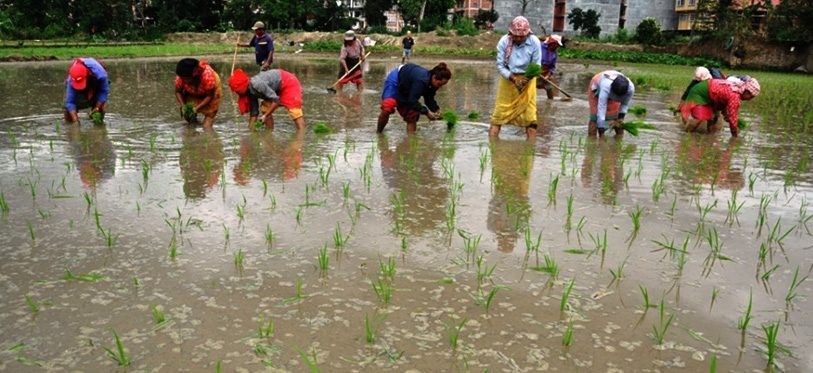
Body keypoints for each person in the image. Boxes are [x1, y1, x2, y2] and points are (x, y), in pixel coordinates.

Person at [489, 16, 542, 140]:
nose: (518, 38)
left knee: (530, 117)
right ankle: (493, 147)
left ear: (527, 34)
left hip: (528, 80)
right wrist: (514, 79)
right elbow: (501, 66)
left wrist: (526, 79)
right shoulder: (504, 42)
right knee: (499, 114)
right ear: (510, 33)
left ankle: (530, 150)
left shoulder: (534, 42)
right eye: (515, 36)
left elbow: (536, 64)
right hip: (508, 80)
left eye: (521, 36)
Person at [376, 62, 452, 134]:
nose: (439, 87)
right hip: (396, 81)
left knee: (412, 116)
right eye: (439, 84)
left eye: (442, 85)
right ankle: (379, 133)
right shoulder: (421, 81)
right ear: (434, 77)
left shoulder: (433, 84)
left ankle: (411, 140)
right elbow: (412, 101)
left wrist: (437, 110)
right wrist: (427, 113)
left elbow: (429, 99)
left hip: (408, 88)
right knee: (387, 108)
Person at [680, 76, 760, 137]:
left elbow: (725, 105)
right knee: (700, 117)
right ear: (746, 92)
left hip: (712, 98)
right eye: (751, 97)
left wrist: (726, 115)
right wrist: (734, 135)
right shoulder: (735, 96)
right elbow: (733, 118)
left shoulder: (736, 89)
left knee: (714, 119)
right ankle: (685, 136)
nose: (750, 99)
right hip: (701, 93)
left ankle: (709, 140)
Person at [228, 68, 306, 131]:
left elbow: (276, 100)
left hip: (288, 82)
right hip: (275, 90)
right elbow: (254, 113)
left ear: (243, 86)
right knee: (265, 109)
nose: (237, 93)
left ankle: (301, 136)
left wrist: (265, 116)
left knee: (295, 112)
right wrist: (250, 131)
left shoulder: (257, 84)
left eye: (237, 90)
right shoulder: (249, 92)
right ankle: (269, 132)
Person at [174, 58, 222, 128]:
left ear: (194, 75)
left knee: (207, 126)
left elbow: (210, 96)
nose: (183, 80)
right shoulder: (180, 78)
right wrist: (183, 105)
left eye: (186, 79)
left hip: (210, 95)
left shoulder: (208, 77)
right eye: (182, 78)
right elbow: (178, 92)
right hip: (191, 93)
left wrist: (196, 109)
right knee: (189, 118)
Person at [588, 70, 635, 138]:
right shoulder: (605, 87)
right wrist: (601, 131)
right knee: (595, 117)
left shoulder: (630, 89)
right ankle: (592, 141)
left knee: (616, 117)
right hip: (597, 88)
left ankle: (618, 139)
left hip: (617, 89)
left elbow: (624, 104)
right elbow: (602, 108)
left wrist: (620, 118)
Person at [64, 57, 110, 123]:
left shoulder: (100, 74)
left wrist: (97, 108)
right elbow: (70, 102)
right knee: (68, 109)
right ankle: (70, 125)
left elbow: (103, 91)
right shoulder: (71, 79)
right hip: (81, 80)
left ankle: (99, 128)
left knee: (100, 108)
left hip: (95, 81)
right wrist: (76, 122)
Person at [536, 34, 562, 100]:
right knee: (530, 87)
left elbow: (552, 67)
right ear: (552, 43)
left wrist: (548, 75)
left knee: (549, 88)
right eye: (557, 45)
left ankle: (550, 102)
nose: (557, 47)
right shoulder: (539, 46)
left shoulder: (554, 53)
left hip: (545, 73)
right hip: (535, 70)